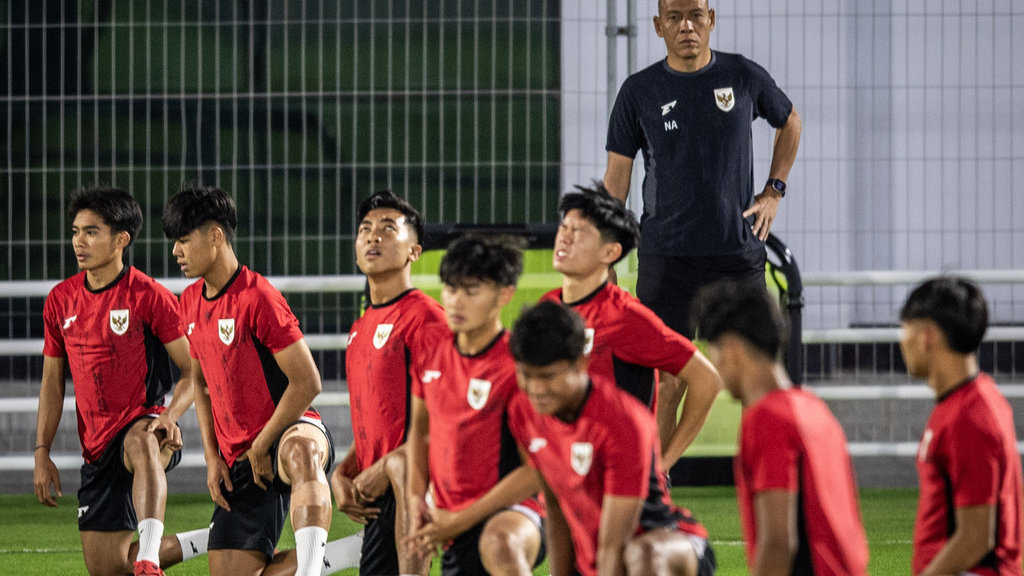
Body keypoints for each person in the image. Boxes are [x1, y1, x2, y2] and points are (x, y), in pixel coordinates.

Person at [603, 0, 802, 440]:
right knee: (666, 380)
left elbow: (789, 121)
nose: (686, 26)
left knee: (755, 371)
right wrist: (606, 254)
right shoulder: (639, 91)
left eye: (696, 15)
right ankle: (658, 480)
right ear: (659, 26)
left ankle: (769, 470)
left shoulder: (743, 76)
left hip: (736, 254)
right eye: (674, 17)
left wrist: (774, 191)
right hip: (666, 257)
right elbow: (617, 176)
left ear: (711, 20)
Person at [34, 185, 207, 576]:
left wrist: (171, 417)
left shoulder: (150, 296)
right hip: (96, 450)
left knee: (140, 439)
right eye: (76, 231)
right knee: (111, 569)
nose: (79, 241)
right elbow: (51, 383)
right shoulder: (60, 300)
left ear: (121, 240)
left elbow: (194, 369)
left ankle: (148, 555)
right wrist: (41, 450)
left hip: (148, 427)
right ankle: (213, 538)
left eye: (91, 231)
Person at [163, 184, 335, 576]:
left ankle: (310, 571)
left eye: (184, 240)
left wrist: (263, 443)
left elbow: (308, 382)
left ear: (216, 236)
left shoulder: (258, 296)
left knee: (301, 453)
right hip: (240, 457)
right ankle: (348, 553)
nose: (176, 252)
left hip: (289, 430)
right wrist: (211, 457)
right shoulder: (188, 301)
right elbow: (200, 383)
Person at [508, 300, 716, 576]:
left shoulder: (623, 421)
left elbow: (614, 546)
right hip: (598, 551)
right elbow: (556, 507)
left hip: (663, 542)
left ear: (581, 363)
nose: (536, 388)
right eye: (526, 375)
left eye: (547, 377)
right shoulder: (524, 410)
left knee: (642, 556)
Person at [691, 279, 869, 575]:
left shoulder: (767, 419)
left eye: (714, 349)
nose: (714, 363)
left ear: (732, 348)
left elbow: (778, 542)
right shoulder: (815, 409)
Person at [542, 184, 722, 468]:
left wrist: (662, 464)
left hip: (618, 481)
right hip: (563, 474)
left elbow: (707, 379)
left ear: (610, 252)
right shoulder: (547, 307)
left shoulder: (627, 316)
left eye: (579, 233)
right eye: (564, 227)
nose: (565, 238)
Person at [405, 234, 545, 576]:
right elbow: (419, 432)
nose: (456, 302)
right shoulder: (432, 356)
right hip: (451, 520)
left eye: (471, 291)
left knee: (500, 543)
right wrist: (415, 499)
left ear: (504, 295)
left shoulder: (519, 366)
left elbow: (537, 470)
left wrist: (457, 521)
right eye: (451, 289)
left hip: (514, 512)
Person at [333, 190, 446, 576]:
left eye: (387, 228)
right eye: (365, 229)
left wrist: (384, 468)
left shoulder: (427, 319)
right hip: (382, 495)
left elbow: (445, 417)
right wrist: (343, 472)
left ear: (414, 251)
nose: (372, 237)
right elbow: (378, 420)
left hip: (418, 483)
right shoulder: (360, 328)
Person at [898, 277, 1023, 576]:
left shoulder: (970, 417)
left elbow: (976, 537)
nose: (902, 342)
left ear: (927, 334)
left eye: (904, 330)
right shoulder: (968, 402)